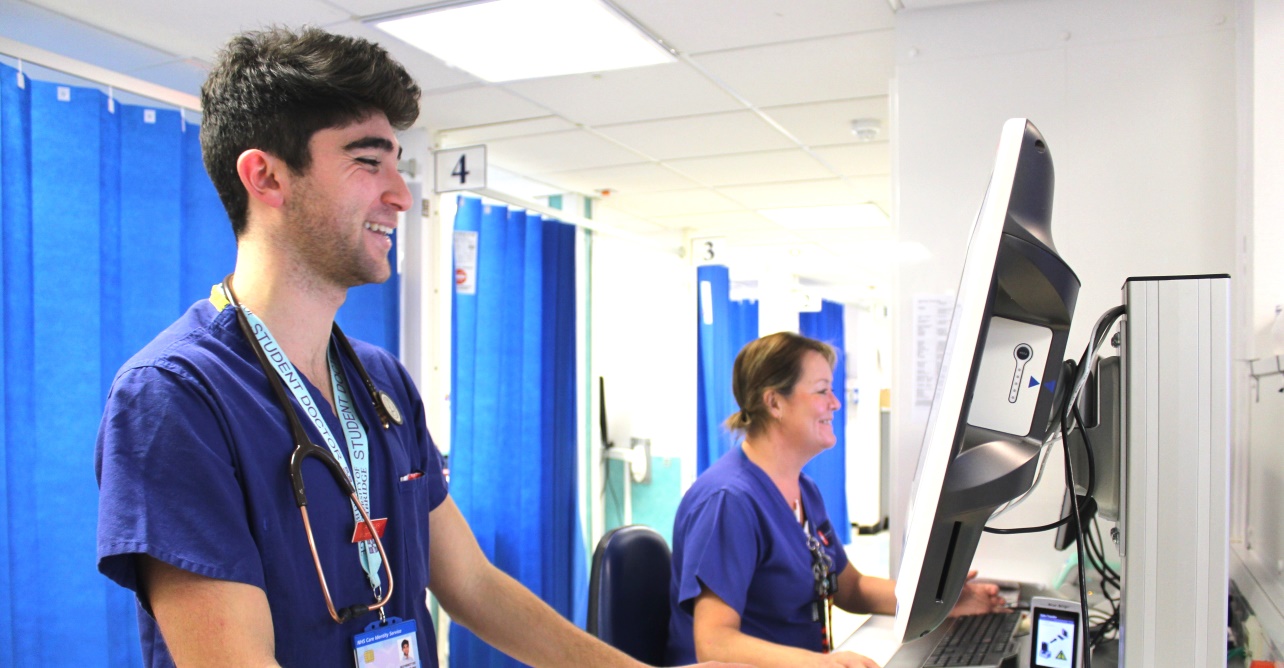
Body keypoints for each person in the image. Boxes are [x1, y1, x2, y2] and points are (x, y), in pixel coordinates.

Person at [94, 26, 747, 668]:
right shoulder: (174, 398)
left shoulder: (381, 383)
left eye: (397, 166)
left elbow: (473, 585)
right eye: (368, 161)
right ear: (266, 178)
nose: (401, 195)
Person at [666, 332, 1007, 668]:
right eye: (822, 390)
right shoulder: (728, 501)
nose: (836, 402)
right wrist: (817, 664)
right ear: (774, 403)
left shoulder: (804, 490)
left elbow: (852, 588)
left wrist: (941, 602)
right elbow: (714, 643)